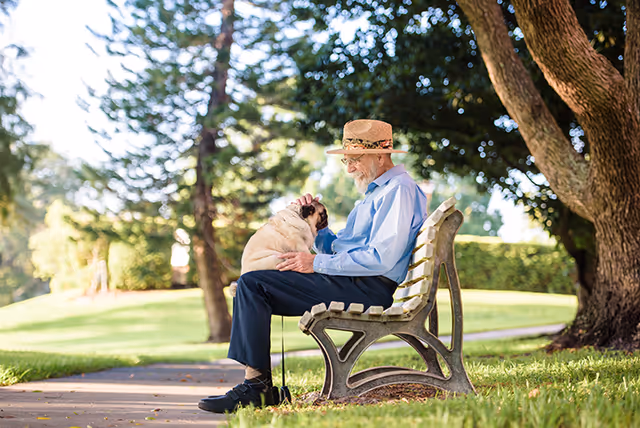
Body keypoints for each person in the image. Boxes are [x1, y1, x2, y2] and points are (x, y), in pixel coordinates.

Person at [198, 119, 428, 413]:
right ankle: (257, 386)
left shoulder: (399, 190)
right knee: (253, 283)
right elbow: (339, 246)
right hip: (355, 282)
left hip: (368, 288)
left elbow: (380, 258)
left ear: (381, 155)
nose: (348, 168)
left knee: (253, 284)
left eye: (355, 160)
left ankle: (256, 388)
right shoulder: (379, 193)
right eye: (346, 160)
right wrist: (310, 220)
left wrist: (316, 263)